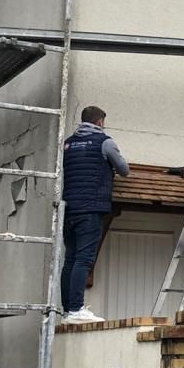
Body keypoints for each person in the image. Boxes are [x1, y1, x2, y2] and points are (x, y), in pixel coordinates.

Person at [60, 106, 129, 324]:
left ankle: (67, 310)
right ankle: (77, 309)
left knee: (70, 259)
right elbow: (124, 169)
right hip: (91, 208)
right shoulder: (104, 142)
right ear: (99, 122)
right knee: (84, 259)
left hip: (70, 208)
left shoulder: (68, 143)